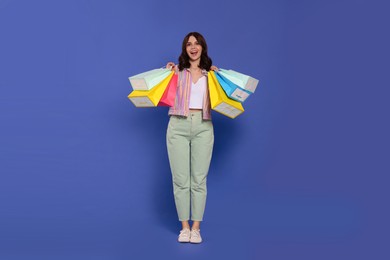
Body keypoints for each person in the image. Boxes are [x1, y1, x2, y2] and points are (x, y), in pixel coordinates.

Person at [165, 32, 218, 244]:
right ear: (185, 49)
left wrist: (218, 76)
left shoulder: (212, 74)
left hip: (204, 126)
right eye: (189, 44)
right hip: (178, 124)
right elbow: (160, 88)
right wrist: (167, 71)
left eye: (197, 43)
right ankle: (184, 227)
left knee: (198, 180)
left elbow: (226, 97)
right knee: (180, 180)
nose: (193, 47)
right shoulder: (177, 72)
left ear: (203, 47)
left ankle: (196, 228)